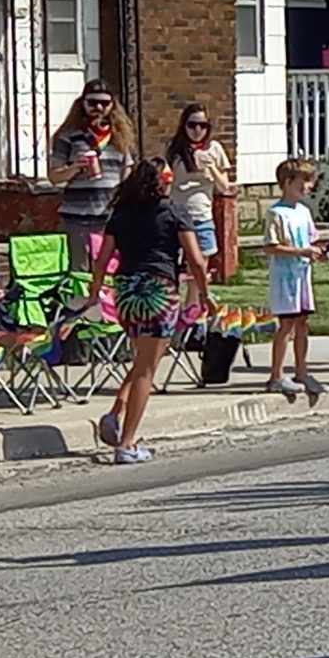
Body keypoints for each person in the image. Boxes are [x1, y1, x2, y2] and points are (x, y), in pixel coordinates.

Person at [85, 157, 211, 464]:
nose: (170, 181)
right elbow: (196, 260)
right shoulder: (174, 212)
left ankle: (116, 413)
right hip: (159, 290)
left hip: (126, 291)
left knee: (143, 359)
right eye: (167, 177)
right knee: (147, 369)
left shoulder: (122, 213)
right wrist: (205, 294)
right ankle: (126, 444)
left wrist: (94, 293)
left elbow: (101, 261)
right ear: (160, 181)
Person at [49, 80, 132, 272]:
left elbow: (126, 171)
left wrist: (124, 199)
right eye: (93, 103)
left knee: (108, 271)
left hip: (109, 217)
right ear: (83, 103)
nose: (99, 108)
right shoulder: (67, 135)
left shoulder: (119, 136)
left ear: (113, 106)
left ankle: (103, 303)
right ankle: (81, 302)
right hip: (77, 217)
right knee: (80, 272)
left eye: (105, 103)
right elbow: (54, 176)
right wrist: (75, 167)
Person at [262, 158, 324, 400]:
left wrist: (319, 252)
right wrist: (302, 252)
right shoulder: (276, 213)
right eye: (304, 181)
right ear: (288, 182)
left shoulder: (304, 212)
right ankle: (276, 375)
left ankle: (302, 370)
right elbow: (270, 246)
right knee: (286, 326)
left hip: (303, 277)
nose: (309, 186)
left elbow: (312, 240)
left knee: (302, 324)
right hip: (285, 280)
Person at [163, 103, 236, 273]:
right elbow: (163, 178)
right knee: (171, 264)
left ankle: (194, 299)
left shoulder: (214, 148)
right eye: (192, 125)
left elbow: (224, 186)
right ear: (184, 126)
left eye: (203, 125)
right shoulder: (173, 149)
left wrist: (211, 167)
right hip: (176, 215)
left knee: (200, 266)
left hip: (202, 215)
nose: (197, 130)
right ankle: (175, 299)